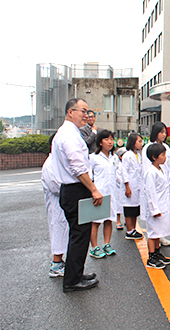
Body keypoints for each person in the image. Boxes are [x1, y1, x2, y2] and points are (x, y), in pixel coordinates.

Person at [51, 98, 102, 292]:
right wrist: (93, 189)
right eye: (83, 111)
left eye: (88, 112)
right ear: (70, 112)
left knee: (79, 234)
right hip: (76, 189)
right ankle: (72, 280)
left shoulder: (69, 132)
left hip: (73, 189)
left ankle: (76, 273)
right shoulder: (69, 135)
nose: (86, 115)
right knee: (79, 235)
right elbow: (78, 167)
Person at [41, 134, 69, 278]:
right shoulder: (50, 164)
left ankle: (60, 261)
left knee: (64, 231)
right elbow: (55, 186)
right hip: (56, 204)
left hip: (64, 203)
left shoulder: (57, 161)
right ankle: (56, 264)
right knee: (58, 230)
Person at [88, 130, 119, 258]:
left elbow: (118, 174)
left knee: (109, 219)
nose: (110, 142)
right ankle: (94, 247)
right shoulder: (93, 158)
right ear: (100, 142)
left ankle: (106, 244)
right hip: (99, 193)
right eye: (106, 139)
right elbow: (89, 176)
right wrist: (93, 191)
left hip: (111, 193)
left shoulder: (115, 157)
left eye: (111, 139)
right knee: (96, 221)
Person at [142, 122, 170, 247]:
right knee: (154, 222)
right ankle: (155, 247)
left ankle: (160, 238)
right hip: (155, 184)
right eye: (161, 132)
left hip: (164, 182)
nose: (164, 135)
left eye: (165, 132)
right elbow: (147, 169)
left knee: (162, 219)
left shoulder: (165, 147)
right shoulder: (148, 148)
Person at [144, 143, 170, 269]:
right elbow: (150, 192)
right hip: (155, 208)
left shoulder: (160, 169)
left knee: (158, 232)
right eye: (162, 155)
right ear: (154, 157)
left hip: (163, 205)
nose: (165, 157)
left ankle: (157, 253)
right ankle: (151, 257)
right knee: (153, 233)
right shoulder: (150, 172)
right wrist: (154, 209)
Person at [122, 133, 144, 240]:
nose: (141, 143)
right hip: (130, 185)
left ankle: (134, 229)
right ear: (132, 142)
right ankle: (129, 230)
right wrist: (127, 186)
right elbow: (124, 171)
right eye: (139, 141)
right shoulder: (127, 155)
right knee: (129, 208)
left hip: (137, 185)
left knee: (135, 208)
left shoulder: (138, 155)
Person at [114, 147, 127, 230]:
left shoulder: (127, 164)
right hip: (119, 187)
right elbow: (117, 177)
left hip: (127, 187)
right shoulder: (117, 165)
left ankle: (127, 220)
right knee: (118, 205)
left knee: (127, 205)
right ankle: (118, 221)